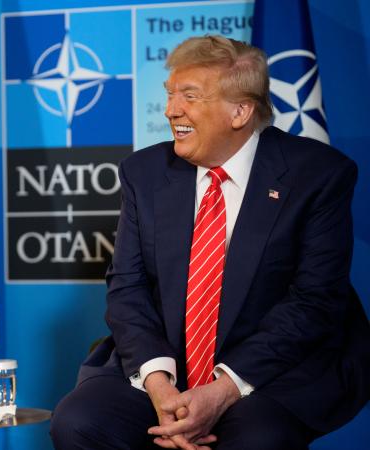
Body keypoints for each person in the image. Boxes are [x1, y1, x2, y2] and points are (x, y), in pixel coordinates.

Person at [50, 35, 370, 450]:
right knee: (78, 422)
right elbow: (127, 287)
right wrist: (159, 384)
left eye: (189, 96)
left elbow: (315, 301)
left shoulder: (318, 175)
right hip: (164, 365)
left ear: (240, 111)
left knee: (260, 439)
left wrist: (223, 389)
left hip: (266, 373)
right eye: (170, 95)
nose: (170, 110)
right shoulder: (143, 173)